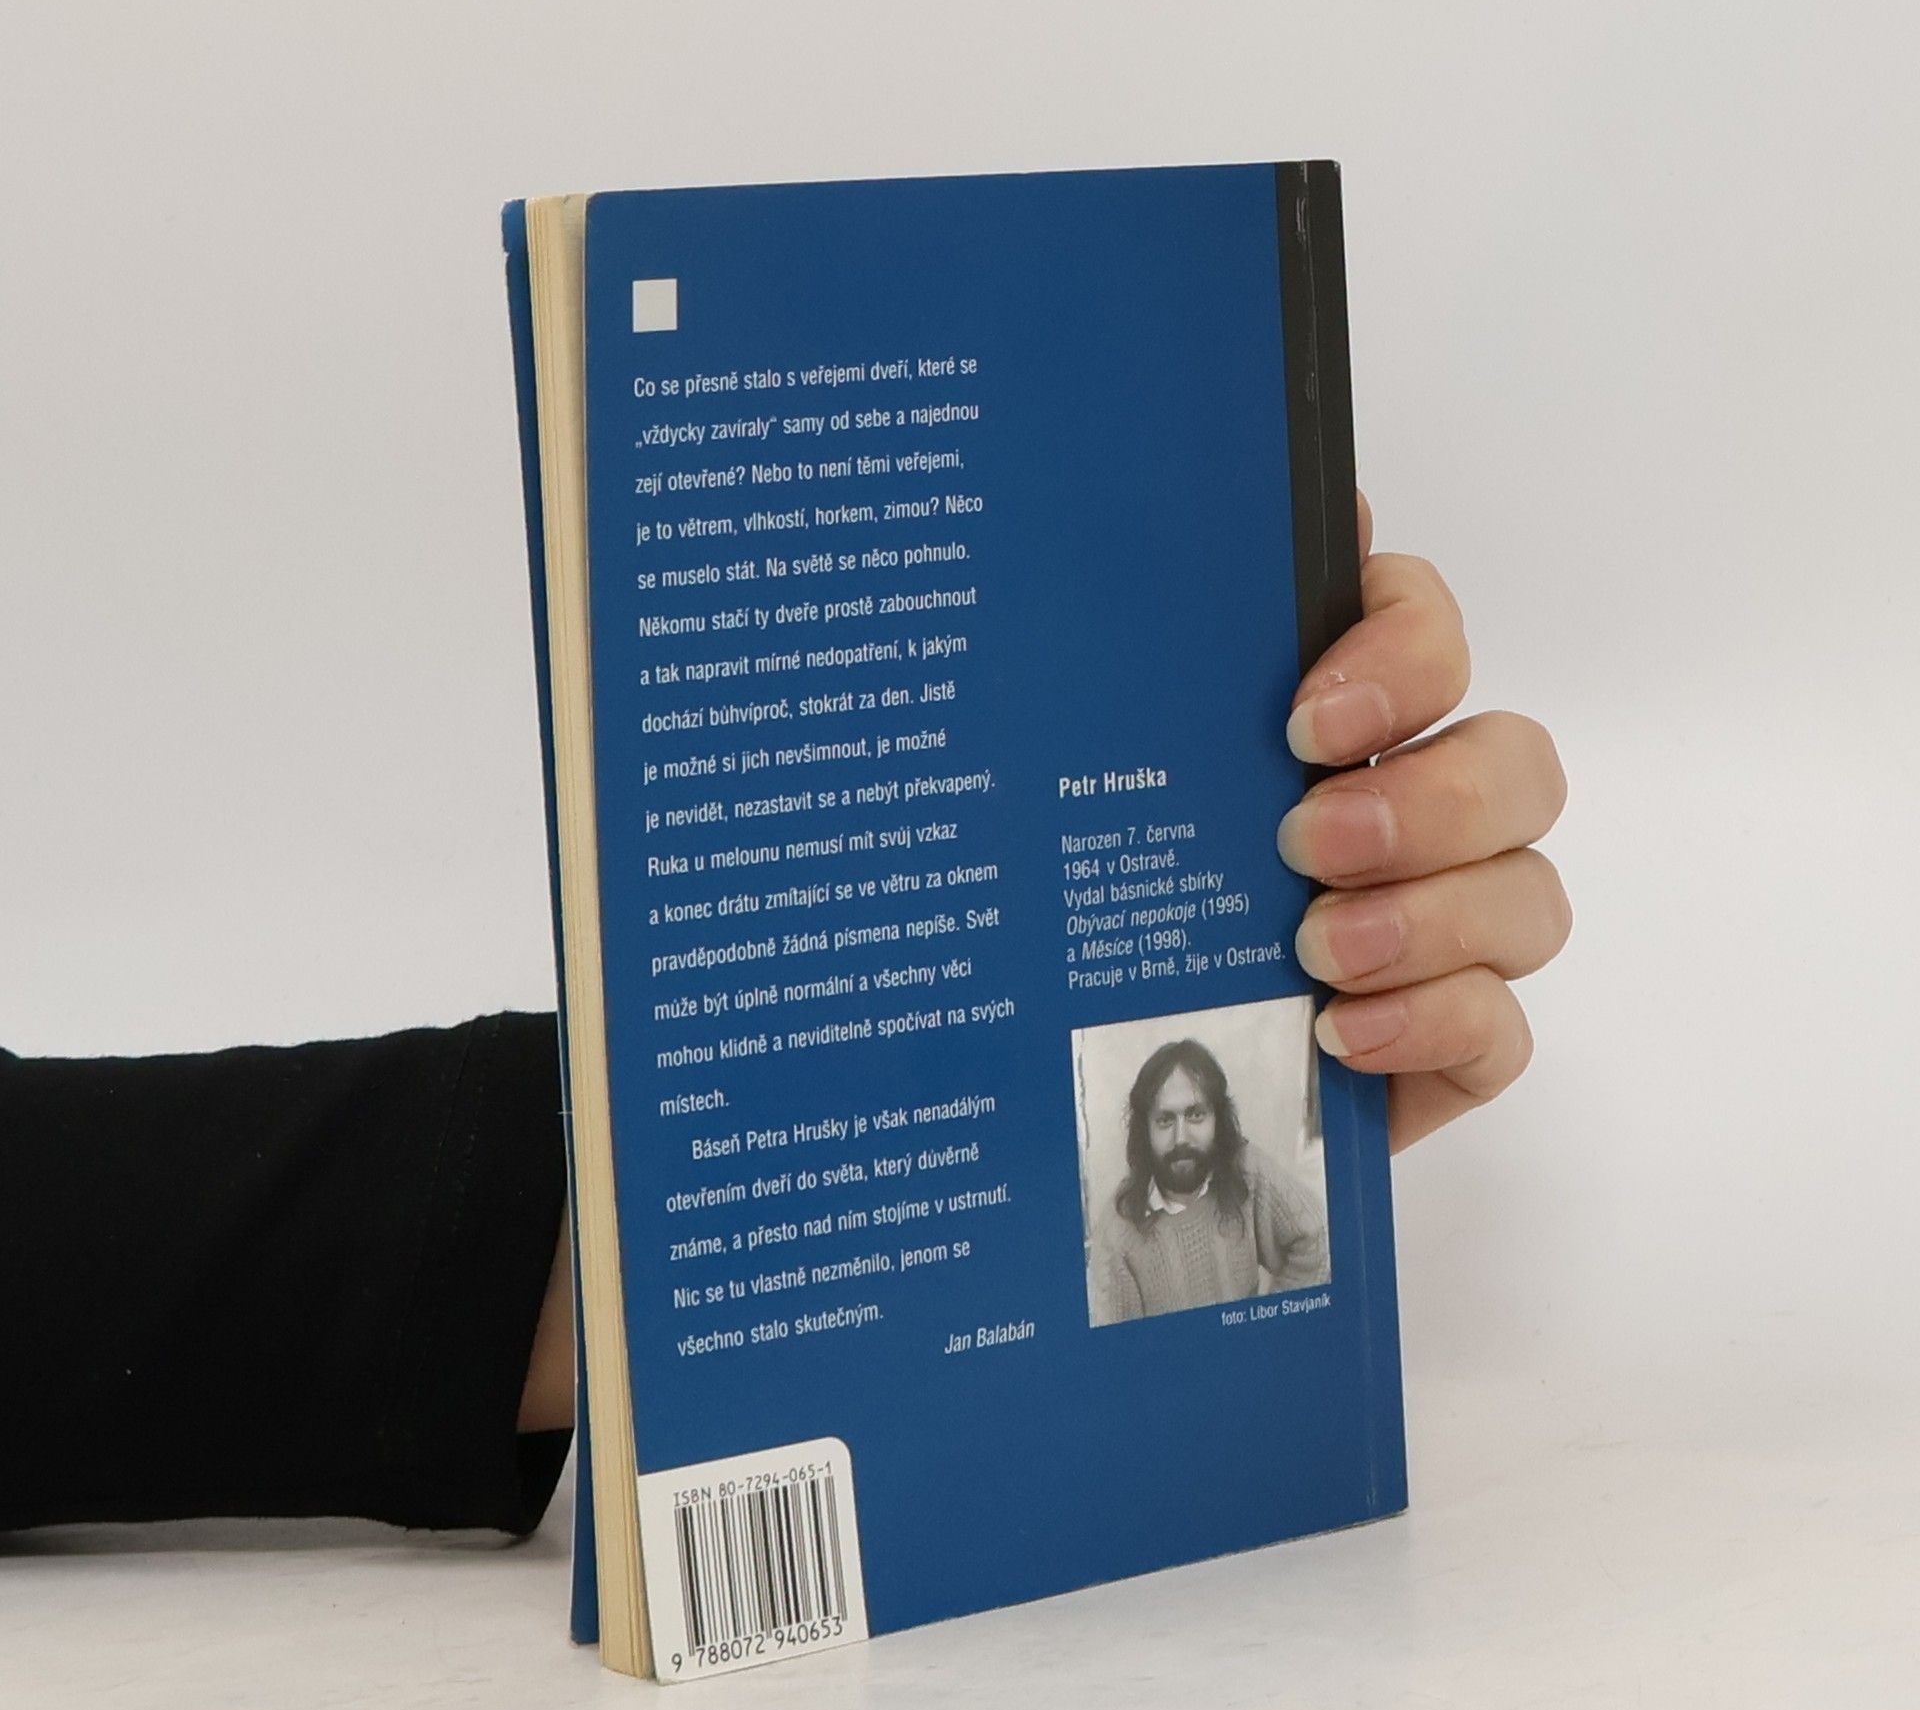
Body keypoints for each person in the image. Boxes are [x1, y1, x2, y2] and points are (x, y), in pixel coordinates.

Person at [0, 496, 1570, 1536]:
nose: (1171, 1130)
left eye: (1187, 1109)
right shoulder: (1128, 1224)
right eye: (1158, 1107)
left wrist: (974, 1107)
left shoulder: (1242, 1199)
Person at [1085, 1037, 1329, 1326]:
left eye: (1195, 1115)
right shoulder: (1117, 1231)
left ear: (1217, 1118)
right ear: (1145, 1131)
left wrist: (1271, 1323)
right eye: (1165, 1120)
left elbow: (1317, 1238)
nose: (1181, 1138)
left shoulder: (1247, 1171)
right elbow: (1124, 1346)